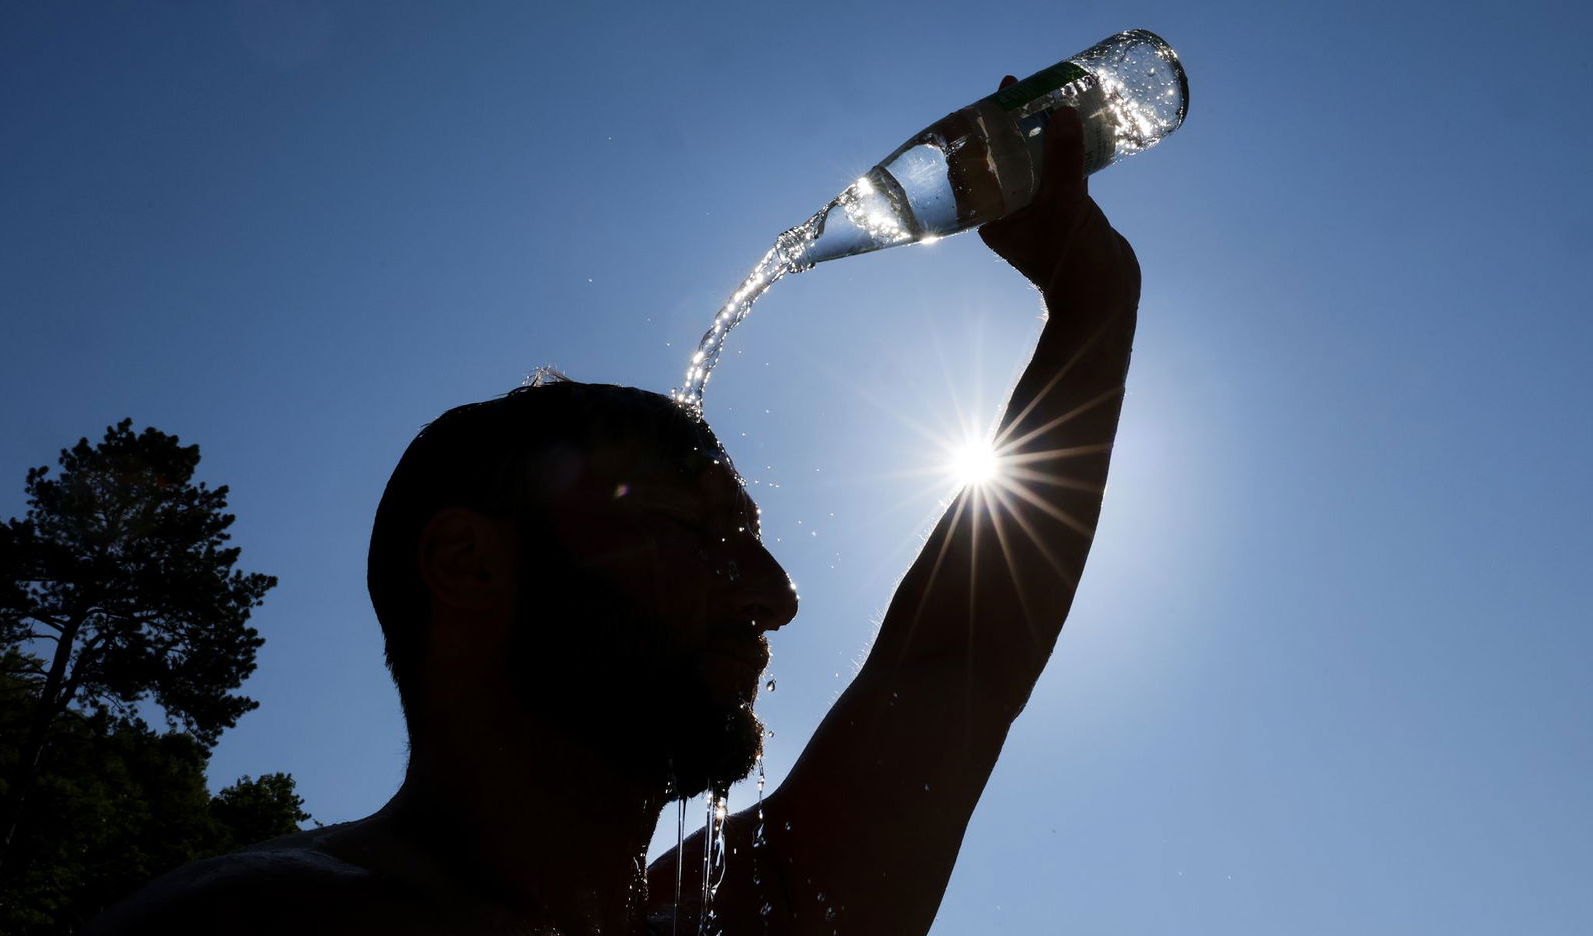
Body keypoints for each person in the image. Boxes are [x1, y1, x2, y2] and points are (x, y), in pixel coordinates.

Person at [87, 88, 1139, 936]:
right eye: (702, 533)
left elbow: (950, 667)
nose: (776, 600)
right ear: (468, 563)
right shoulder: (270, 920)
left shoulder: (716, 917)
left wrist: (1092, 302)